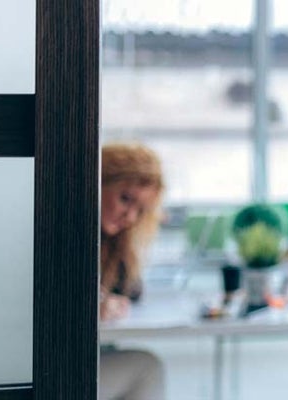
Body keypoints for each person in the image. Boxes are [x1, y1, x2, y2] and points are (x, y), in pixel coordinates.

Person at [98, 142, 167, 400]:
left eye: (140, 211)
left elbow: (132, 290)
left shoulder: (110, 241)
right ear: (97, 181)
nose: (129, 217)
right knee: (147, 368)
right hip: (43, 366)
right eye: (125, 199)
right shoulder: (67, 234)